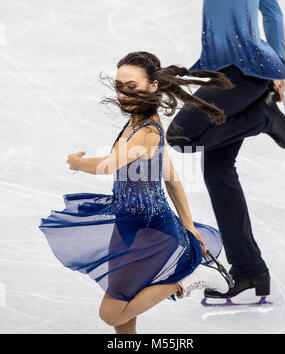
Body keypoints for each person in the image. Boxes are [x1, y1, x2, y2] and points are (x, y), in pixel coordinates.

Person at [39, 51, 235, 334]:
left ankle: (186, 280)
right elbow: (171, 178)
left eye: (132, 87)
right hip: (126, 223)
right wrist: (190, 226)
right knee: (122, 319)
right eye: (119, 86)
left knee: (110, 312)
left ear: (152, 86)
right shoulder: (136, 121)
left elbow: (108, 165)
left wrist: (77, 162)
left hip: (150, 228)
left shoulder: (148, 131)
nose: (123, 94)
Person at [166, 0, 285, 300]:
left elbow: (271, 8)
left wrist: (277, 67)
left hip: (246, 69)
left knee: (182, 136)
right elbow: (270, 7)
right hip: (226, 71)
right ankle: (250, 270)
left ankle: (262, 118)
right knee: (218, 170)